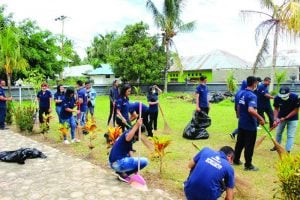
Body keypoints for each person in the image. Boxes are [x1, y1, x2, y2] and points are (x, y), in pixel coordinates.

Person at [233, 76, 265, 171]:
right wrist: (260, 118)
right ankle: (248, 165)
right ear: (255, 83)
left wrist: (239, 116)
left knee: (240, 143)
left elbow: (238, 106)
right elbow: (251, 110)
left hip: (242, 123)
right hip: (250, 125)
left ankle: (236, 159)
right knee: (249, 145)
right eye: (257, 83)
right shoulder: (252, 95)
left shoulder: (241, 93)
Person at [109, 118, 149, 183]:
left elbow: (129, 151)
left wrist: (134, 167)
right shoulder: (128, 134)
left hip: (113, 163)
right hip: (118, 163)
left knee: (132, 158)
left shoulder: (129, 136)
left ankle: (121, 173)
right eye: (141, 133)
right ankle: (124, 174)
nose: (141, 136)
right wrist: (137, 125)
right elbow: (128, 138)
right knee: (145, 161)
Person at [270, 86, 299, 153]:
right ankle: (277, 146)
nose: (283, 97)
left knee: (290, 135)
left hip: (293, 118)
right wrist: (275, 119)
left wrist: (286, 117)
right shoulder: (277, 98)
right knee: (278, 133)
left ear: (289, 93)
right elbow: (276, 109)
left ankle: (287, 150)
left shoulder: (295, 97)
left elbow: (296, 110)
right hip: (281, 117)